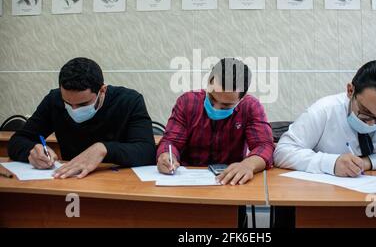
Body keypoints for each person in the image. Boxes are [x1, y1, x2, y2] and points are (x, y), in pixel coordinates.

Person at [274, 59, 376, 177]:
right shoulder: (325, 110)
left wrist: (372, 162)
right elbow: (283, 151)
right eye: (365, 112)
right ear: (350, 91)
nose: (372, 123)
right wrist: (331, 163)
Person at [8, 57, 156, 179]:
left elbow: (146, 151)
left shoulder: (129, 101)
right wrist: (32, 151)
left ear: (102, 90)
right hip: (71, 180)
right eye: (68, 103)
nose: (74, 110)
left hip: (119, 180)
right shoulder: (54, 100)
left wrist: (104, 149)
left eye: (83, 104)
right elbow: (17, 141)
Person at [157, 58, 274, 186]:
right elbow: (170, 141)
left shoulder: (250, 107)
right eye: (212, 98)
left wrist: (248, 165)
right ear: (209, 82)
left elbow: (265, 146)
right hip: (186, 182)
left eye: (226, 105)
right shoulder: (187, 102)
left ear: (243, 97)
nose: (216, 108)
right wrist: (167, 156)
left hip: (230, 182)